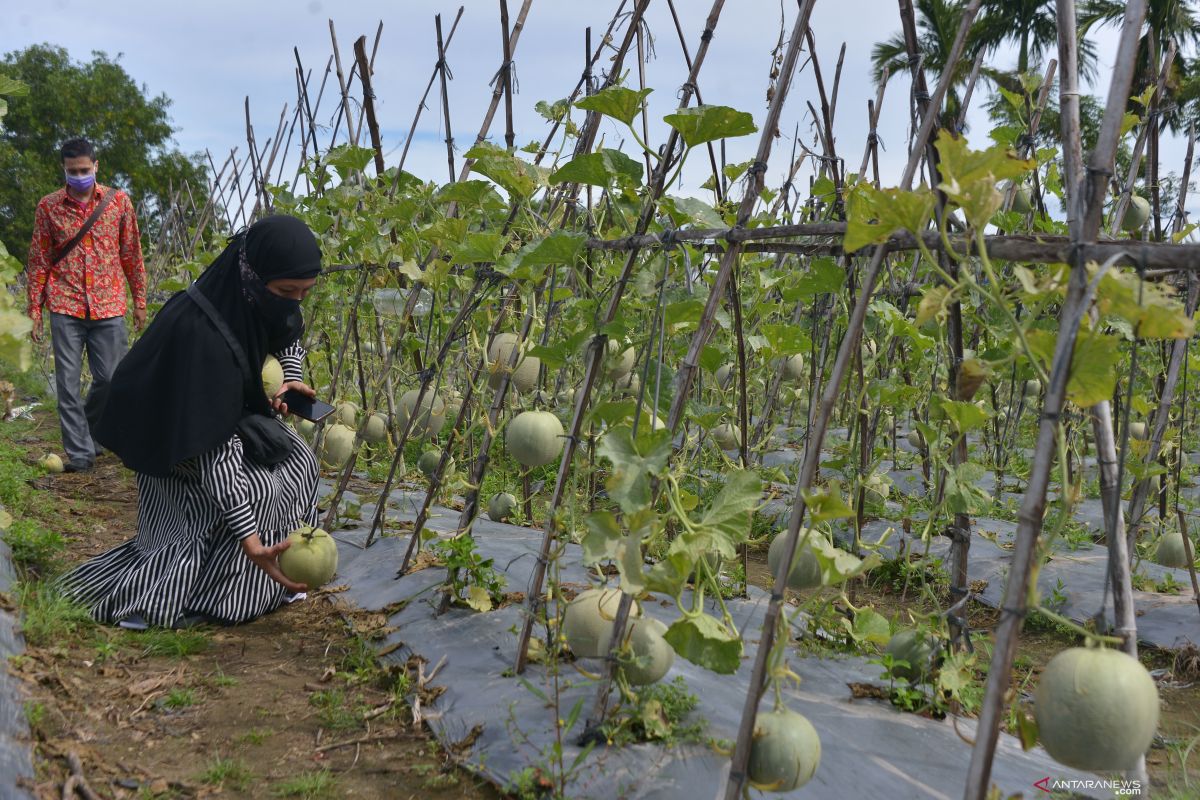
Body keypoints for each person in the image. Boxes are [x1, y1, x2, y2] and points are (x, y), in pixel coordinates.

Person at [59, 215, 323, 629]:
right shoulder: (202, 335)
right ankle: (203, 595)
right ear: (252, 276)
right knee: (254, 488)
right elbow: (213, 453)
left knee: (300, 462)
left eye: (304, 293)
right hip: (169, 433)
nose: (295, 301)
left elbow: (288, 333)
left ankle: (266, 583)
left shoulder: (256, 296)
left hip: (214, 416)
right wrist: (251, 541)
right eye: (287, 291)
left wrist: (291, 376)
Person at [26, 137, 147, 472]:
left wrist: (140, 300)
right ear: (63, 169)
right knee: (66, 383)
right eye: (71, 171)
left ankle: (92, 434)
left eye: (84, 169)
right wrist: (35, 310)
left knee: (110, 379)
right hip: (65, 303)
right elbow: (39, 261)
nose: (78, 175)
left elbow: (131, 254)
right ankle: (80, 456)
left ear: (96, 166)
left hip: (108, 304)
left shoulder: (118, 202)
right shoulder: (48, 207)